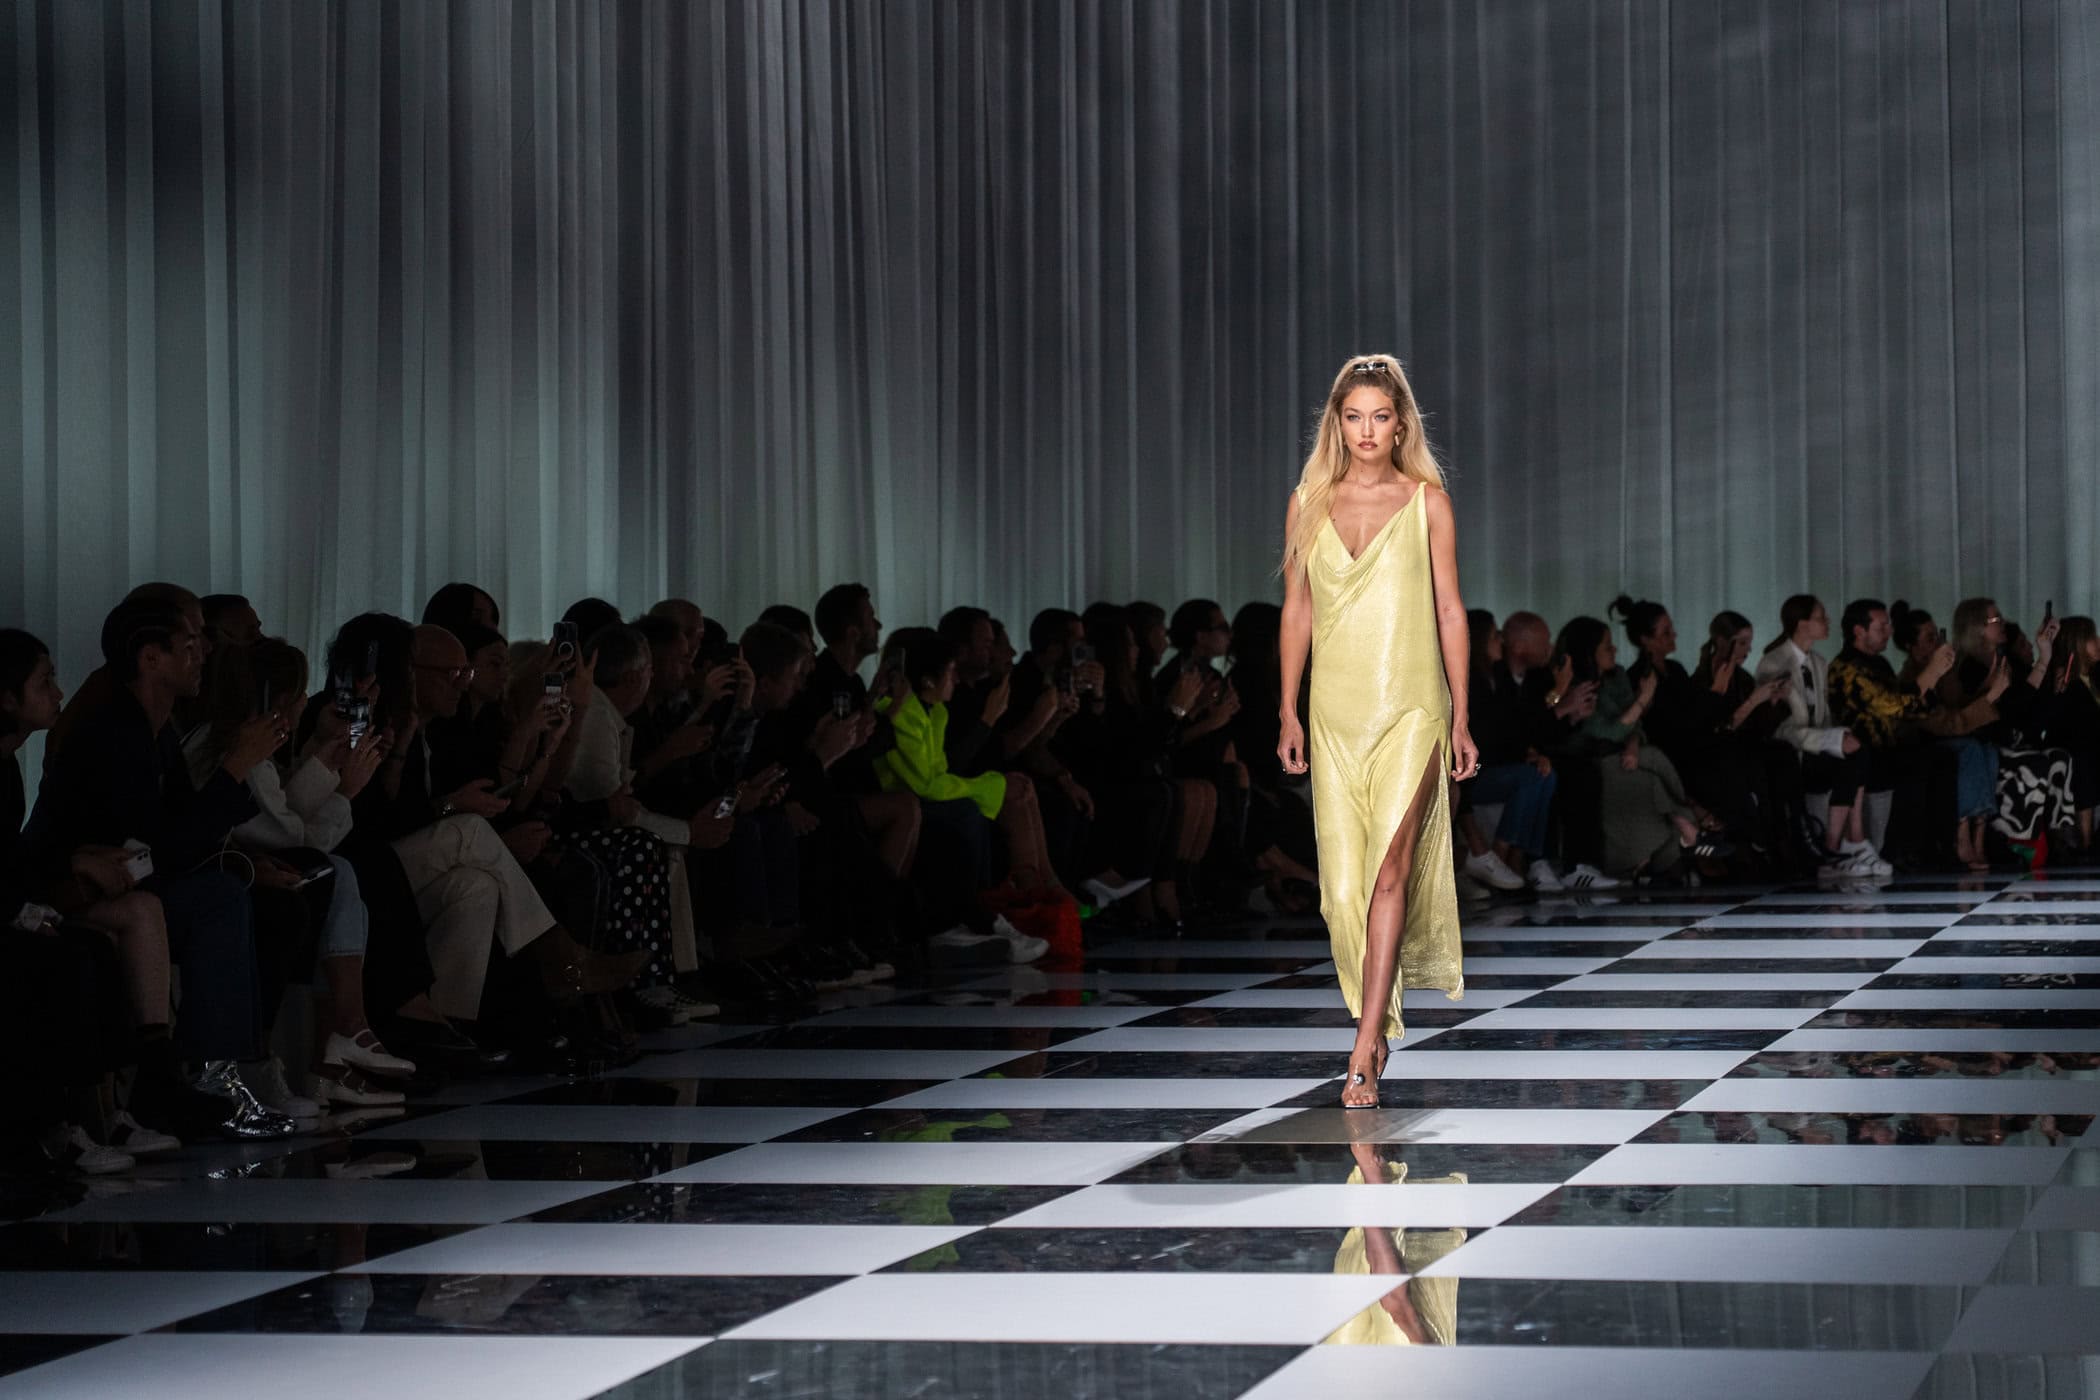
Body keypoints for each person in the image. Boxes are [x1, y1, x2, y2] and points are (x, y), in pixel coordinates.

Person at [1276, 354, 1471, 1110]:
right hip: (1335, 713)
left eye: (1380, 417)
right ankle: (1375, 1016)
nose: (1366, 430)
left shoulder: (1428, 504)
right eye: (1353, 416)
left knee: (1391, 869)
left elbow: (1449, 609)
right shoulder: (1307, 503)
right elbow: (1298, 610)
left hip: (1412, 709)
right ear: (1337, 423)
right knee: (1342, 890)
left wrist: (1461, 713)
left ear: (1400, 424)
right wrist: (1287, 708)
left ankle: (1363, 1046)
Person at [1755, 595, 1888, 877]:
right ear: (1802, 624)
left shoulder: (1818, 662)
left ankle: (1843, 843)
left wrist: (1837, 737)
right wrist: (1831, 740)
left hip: (1815, 747)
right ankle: (1844, 845)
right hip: (1792, 753)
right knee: (1851, 753)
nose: (1827, 622)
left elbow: (1823, 716)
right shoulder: (1774, 662)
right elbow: (1779, 728)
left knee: (1858, 750)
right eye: (1820, 617)